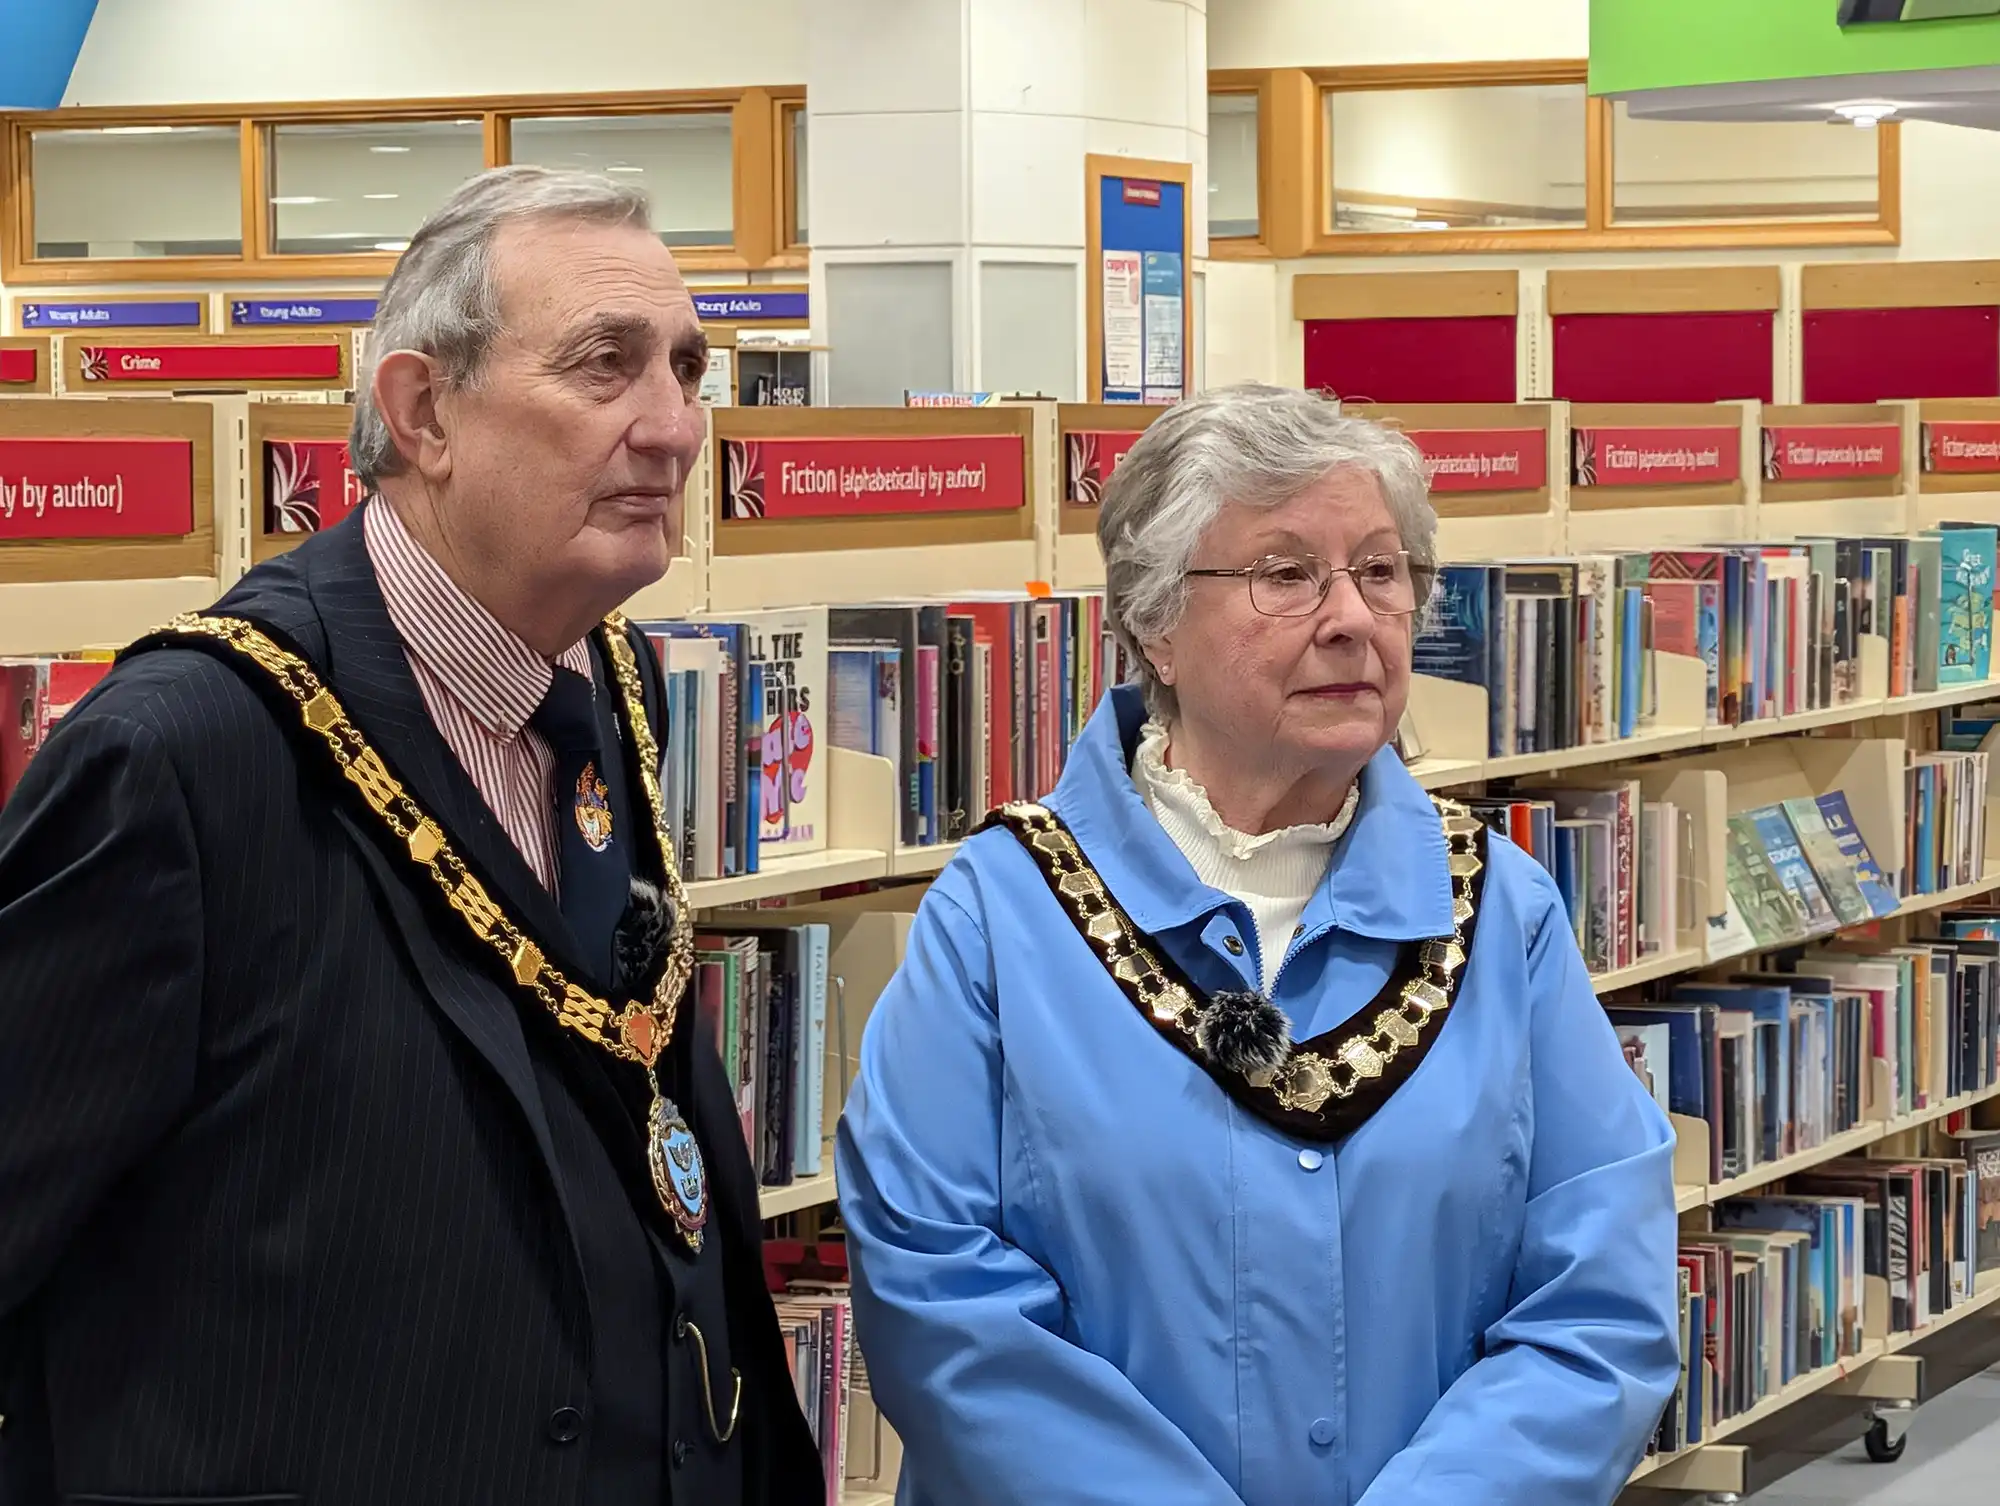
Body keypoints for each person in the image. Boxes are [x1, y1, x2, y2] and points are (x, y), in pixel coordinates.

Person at [0, 167, 820, 1506]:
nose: (673, 427)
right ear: (424, 410)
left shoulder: (610, 691)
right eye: (604, 368)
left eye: (686, 368)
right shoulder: (187, 757)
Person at [836, 383, 1680, 1505]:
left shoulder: (1499, 913)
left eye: (1379, 572)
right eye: (1284, 574)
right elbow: (937, 1301)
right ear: (1153, 624)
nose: (1349, 618)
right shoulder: (1000, 914)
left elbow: (1597, 1302)